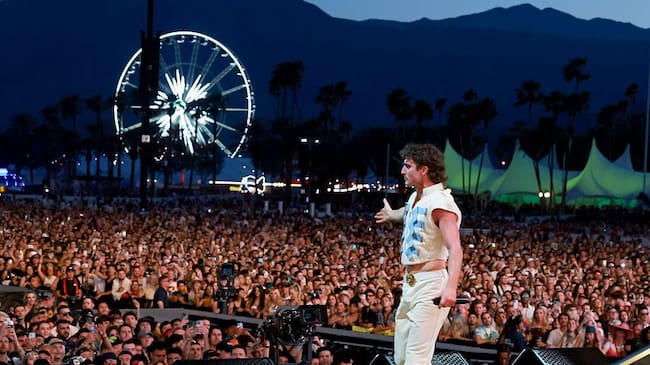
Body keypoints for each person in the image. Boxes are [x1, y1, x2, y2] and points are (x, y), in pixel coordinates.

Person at [375, 143, 463, 365]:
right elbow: (412, 212)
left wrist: (451, 287)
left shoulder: (442, 204)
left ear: (424, 170)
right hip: (411, 283)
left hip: (431, 284)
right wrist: (392, 214)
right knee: (402, 357)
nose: (403, 171)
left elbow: (455, 248)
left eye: (408, 166)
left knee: (416, 358)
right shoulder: (417, 197)